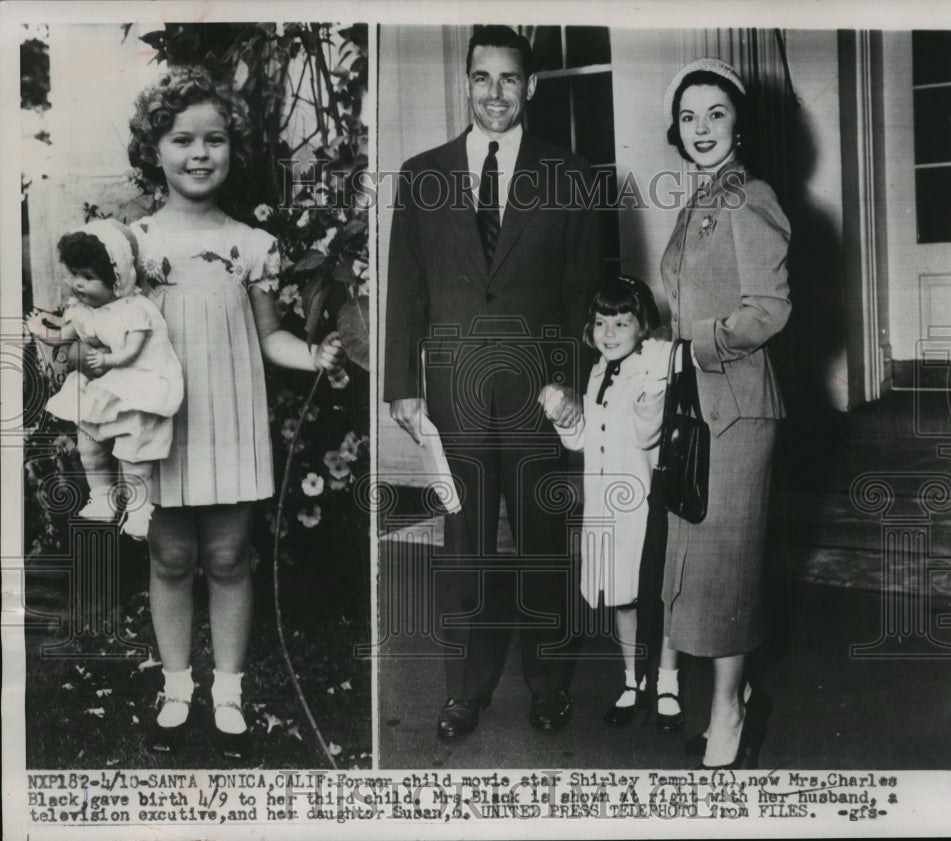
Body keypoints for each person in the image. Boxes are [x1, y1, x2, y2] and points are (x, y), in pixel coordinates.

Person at [383, 25, 603, 737]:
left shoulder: (570, 175)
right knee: (465, 548)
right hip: (455, 396)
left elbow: (583, 295)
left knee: (544, 541)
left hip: (539, 396)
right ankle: (463, 691)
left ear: (530, 86)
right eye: (482, 77)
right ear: (466, 81)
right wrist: (400, 385)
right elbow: (406, 291)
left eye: (510, 79)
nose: (495, 93)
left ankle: (548, 683)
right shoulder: (422, 175)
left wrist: (571, 383)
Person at [126, 66, 344, 756]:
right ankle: (176, 686)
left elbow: (271, 334)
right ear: (153, 149)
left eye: (213, 139)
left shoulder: (254, 246)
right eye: (181, 138)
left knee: (226, 554)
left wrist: (319, 356)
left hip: (229, 418)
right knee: (170, 553)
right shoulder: (134, 246)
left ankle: (228, 691)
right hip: (163, 422)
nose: (198, 153)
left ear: (232, 148)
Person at [658, 58, 791, 769]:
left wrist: (693, 346)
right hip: (698, 409)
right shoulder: (699, 200)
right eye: (688, 116)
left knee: (728, 572)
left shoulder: (749, 196)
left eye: (715, 113)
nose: (701, 128)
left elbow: (768, 309)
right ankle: (728, 705)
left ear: (738, 121)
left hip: (738, 409)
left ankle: (729, 717)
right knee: (702, 572)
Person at [541, 276, 685, 733]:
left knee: (655, 598)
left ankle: (667, 683)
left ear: (643, 327)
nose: (609, 332)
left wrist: (654, 393)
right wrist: (566, 418)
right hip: (604, 511)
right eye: (601, 322)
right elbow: (586, 437)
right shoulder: (599, 369)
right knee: (621, 599)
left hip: (642, 509)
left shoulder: (652, 368)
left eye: (622, 323)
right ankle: (632, 680)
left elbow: (648, 436)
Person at [30, 219, 183, 540]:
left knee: (134, 455)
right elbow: (62, 335)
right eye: (75, 275)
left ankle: (140, 511)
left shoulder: (137, 309)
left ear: (118, 280)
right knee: (89, 445)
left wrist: (108, 359)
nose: (78, 284)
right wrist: (41, 330)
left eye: (89, 277)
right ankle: (102, 496)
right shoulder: (82, 309)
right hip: (102, 387)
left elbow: (131, 350)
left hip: (137, 388)